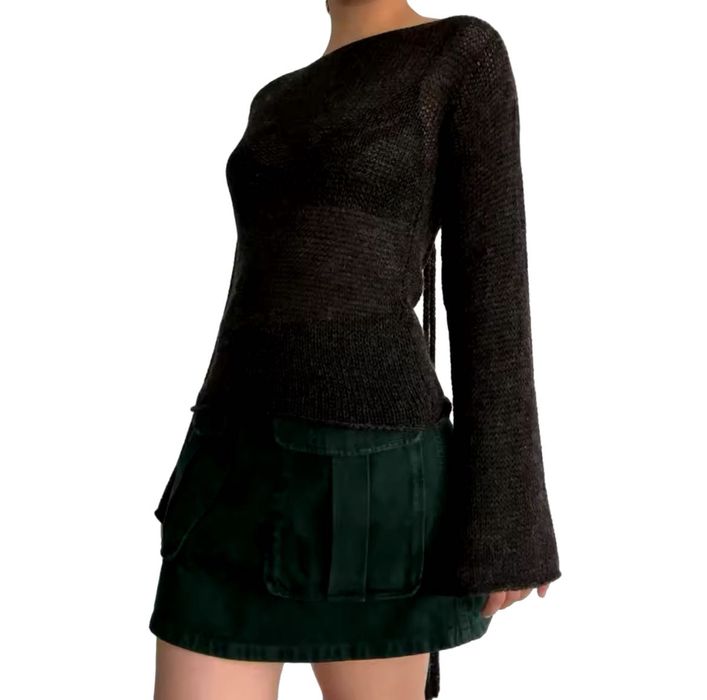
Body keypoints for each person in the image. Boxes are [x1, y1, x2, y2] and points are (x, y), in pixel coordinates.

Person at [149, 2, 561, 698]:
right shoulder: (275, 98)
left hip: (370, 478)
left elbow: (490, 287)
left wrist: (508, 519)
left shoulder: (458, 53)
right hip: (227, 465)